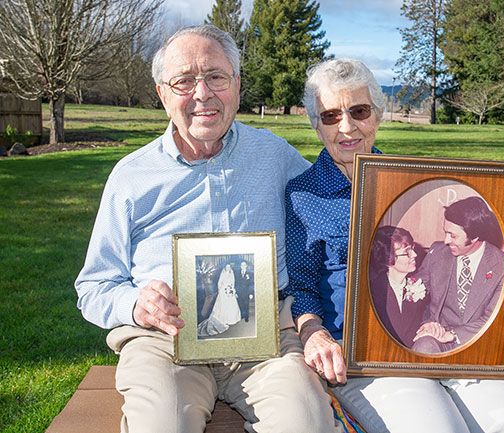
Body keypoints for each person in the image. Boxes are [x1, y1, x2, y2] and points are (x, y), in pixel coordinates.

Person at [75, 25, 342, 433]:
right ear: (163, 94)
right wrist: (137, 305)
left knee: (307, 421)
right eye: (184, 81)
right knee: (162, 424)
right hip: (165, 342)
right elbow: (93, 286)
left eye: (216, 77)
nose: (202, 94)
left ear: (236, 85)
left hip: (266, 340)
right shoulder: (131, 176)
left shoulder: (274, 154)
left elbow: (333, 202)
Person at [284, 58, 504, 433]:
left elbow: (453, 257)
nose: (346, 127)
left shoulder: (407, 180)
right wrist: (314, 332)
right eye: (330, 116)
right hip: (368, 356)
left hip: (445, 339)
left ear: (377, 114)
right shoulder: (304, 195)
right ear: (315, 125)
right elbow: (303, 286)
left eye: (358, 111)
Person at [413, 196, 504, 353]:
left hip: (481, 340)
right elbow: (415, 295)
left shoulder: (502, 265)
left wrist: (453, 335)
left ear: (475, 236)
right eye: (446, 233)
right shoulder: (437, 254)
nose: (446, 240)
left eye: (453, 235)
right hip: (437, 337)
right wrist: (426, 324)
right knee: (424, 347)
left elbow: (494, 318)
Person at [369, 225, 428, 348]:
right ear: (387, 259)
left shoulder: (418, 285)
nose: (415, 254)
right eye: (407, 252)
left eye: (412, 248)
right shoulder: (373, 290)